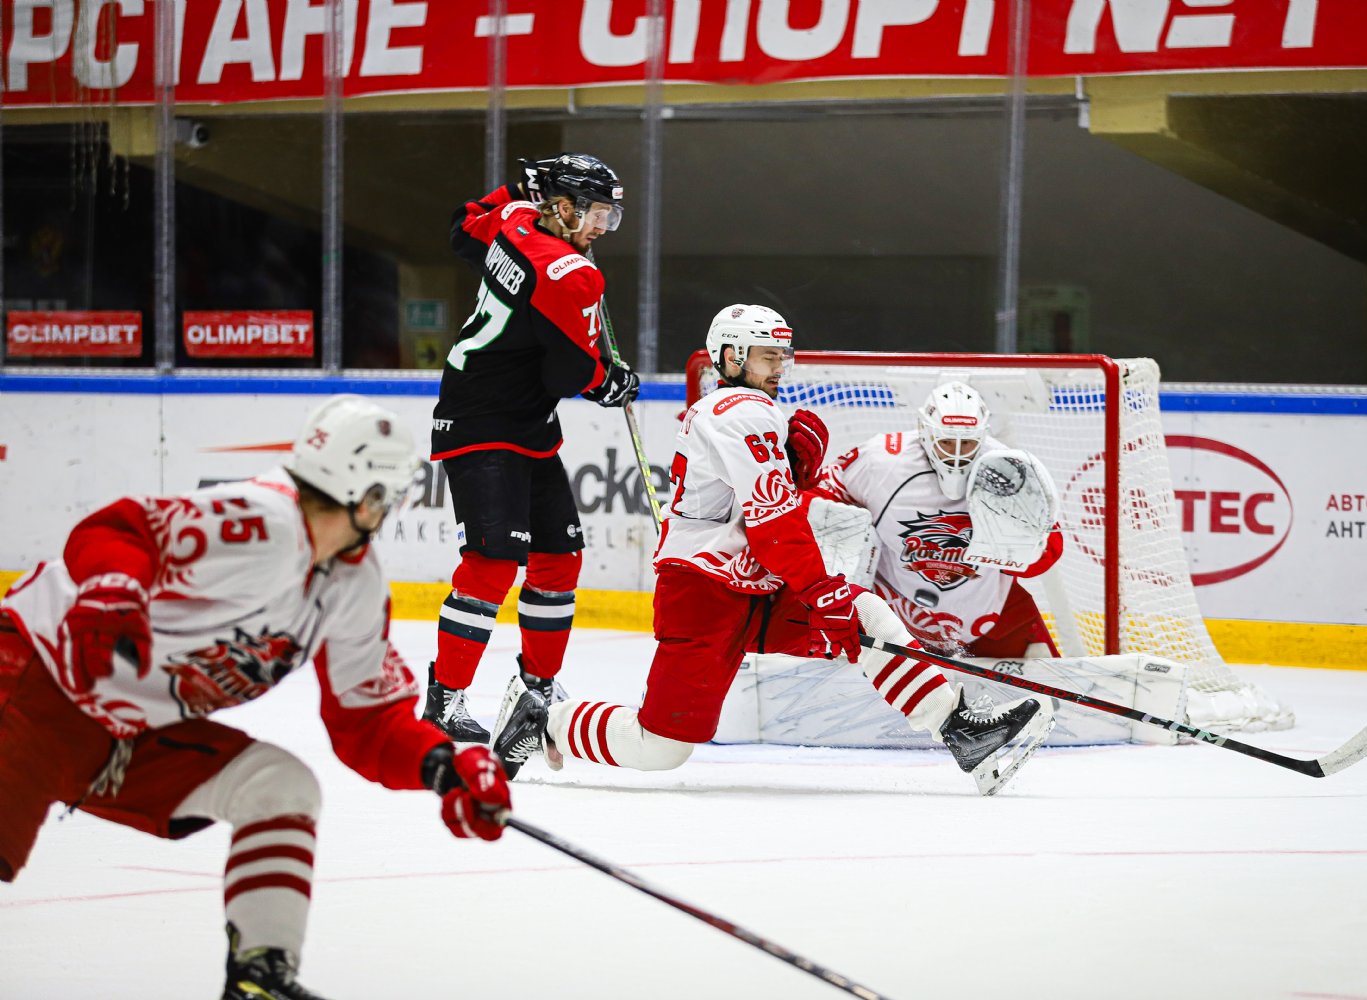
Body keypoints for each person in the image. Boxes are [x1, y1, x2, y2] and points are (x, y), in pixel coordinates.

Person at [0, 395, 512, 1000]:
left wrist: (442, 765)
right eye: (391, 496)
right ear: (369, 495)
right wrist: (111, 590)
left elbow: (369, 722)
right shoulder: (262, 520)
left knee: (280, 788)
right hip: (34, 684)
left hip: (124, 736)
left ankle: (258, 978)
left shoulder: (355, 583)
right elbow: (121, 528)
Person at [493, 305, 1054, 796]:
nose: (779, 367)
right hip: (703, 593)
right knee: (660, 746)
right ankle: (543, 719)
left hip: (755, 586)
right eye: (767, 356)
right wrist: (821, 588)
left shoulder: (748, 412)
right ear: (731, 357)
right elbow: (774, 522)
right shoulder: (739, 411)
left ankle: (960, 730)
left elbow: (768, 507)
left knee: (866, 615)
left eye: (783, 355)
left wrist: (799, 482)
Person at [425, 152, 640, 745]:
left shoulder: (515, 219)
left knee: (559, 557)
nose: (603, 227)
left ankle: (537, 690)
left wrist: (517, 190)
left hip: (524, 423)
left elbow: (463, 227)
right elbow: (568, 374)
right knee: (493, 561)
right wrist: (609, 381)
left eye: (611, 216)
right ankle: (445, 699)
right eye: (597, 214)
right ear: (564, 208)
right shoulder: (572, 272)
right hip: (483, 420)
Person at [806, 380, 1064, 659]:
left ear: (982, 436)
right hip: (893, 623)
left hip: (990, 619)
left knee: (1055, 685)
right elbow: (816, 502)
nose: (956, 454)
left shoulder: (1009, 471)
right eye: (946, 442)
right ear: (925, 431)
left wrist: (1023, 546)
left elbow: (1046, 553)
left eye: (966, 443)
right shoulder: (881, 461)